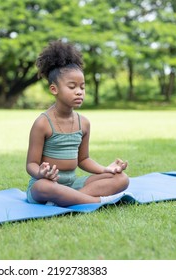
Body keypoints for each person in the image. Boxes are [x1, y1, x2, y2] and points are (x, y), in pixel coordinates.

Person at [26, 40, 129, 207]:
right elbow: (31, 164)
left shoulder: (84, 123)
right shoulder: (42, 123)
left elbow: (84, 159)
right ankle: (96, 201)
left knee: (122, 179)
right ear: (54, 89)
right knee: (42, 187)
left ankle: (68, 199)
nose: (79, 91)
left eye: (82, 87)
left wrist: (106, 170)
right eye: (72, 86)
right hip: (47, 184)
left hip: (72, 184)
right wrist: (41, 173)